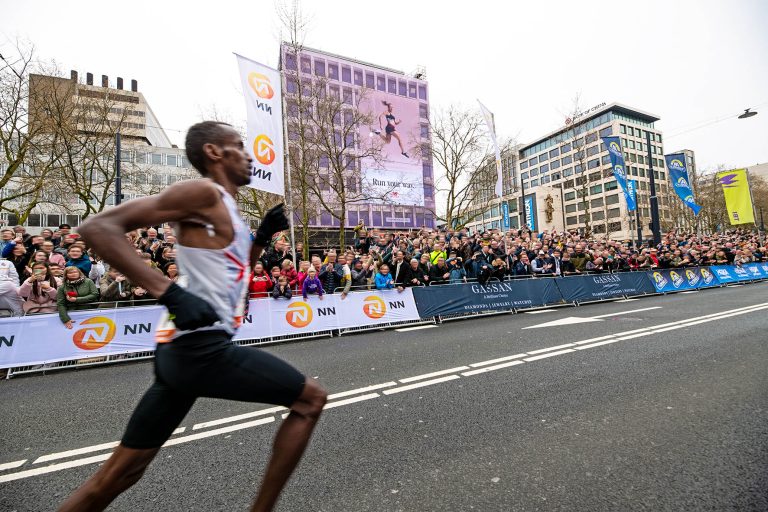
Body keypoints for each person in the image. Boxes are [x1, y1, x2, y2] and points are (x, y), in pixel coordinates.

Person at [58, 121, 327, 512]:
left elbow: (235, 271)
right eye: (239, 145)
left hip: (181, 351)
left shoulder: (227, 207)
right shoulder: (203, 192)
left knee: (121, 474)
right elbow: (99, 227)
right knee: (310, 400)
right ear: (215, 153)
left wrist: (263, 237)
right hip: (199, 347)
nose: (249, 154)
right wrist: (168, 291)